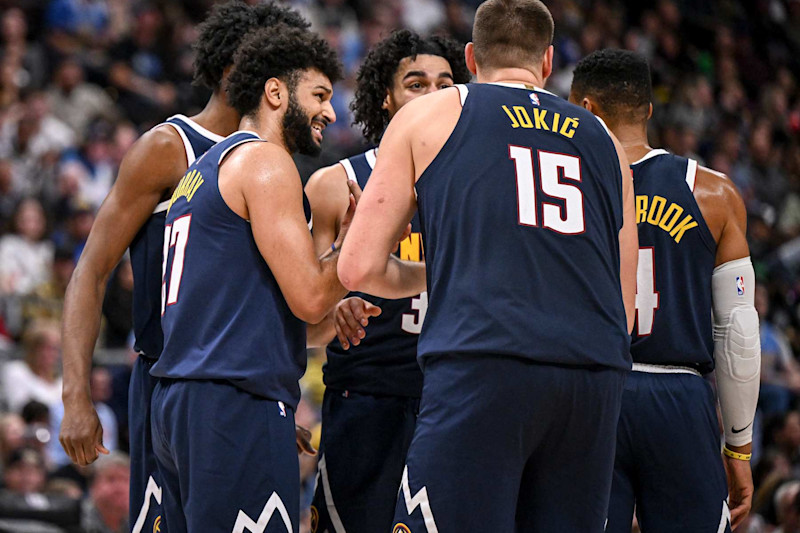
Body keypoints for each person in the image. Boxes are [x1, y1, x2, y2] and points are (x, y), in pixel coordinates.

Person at [338, 0, 638, 529]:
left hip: (484, 361)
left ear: (472, 58)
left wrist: (436, 274)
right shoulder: (608, 144)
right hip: (592, 378)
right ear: (547, 63)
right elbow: (626, 309)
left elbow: (357, 267)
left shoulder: (431, 114)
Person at [58, 4, 311, 533]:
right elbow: (92, 270)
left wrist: (259, 398)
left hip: (226, 392)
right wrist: (75, 394)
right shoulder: (169, 147)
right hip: (167, 382)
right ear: (231, 70)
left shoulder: (269, 159)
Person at [150, 25, 346, 532]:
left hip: (184, 403)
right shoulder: (265, 162)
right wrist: (359, 240)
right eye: (320, 95)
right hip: (230, 404)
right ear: (276, 92)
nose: (330, 111)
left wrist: (331, 317)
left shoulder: (203, 170)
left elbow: (269, 315)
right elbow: (308, 296)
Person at [569, 48, 761, 532]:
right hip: (679, 396)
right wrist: (737, 447)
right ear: (648, 110)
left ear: (585, 109)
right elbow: (739, 334)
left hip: (591, 390)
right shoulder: (713, 193)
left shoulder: (559, 188)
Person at [304, 29, 471, 533]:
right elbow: (308, 327)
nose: (433, 95)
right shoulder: (336, 185)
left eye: (445, 84)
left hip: (455, 399)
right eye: (416, 84)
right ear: (386, 97)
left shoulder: (476, 185)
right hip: (367, 397)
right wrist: (335, 311)